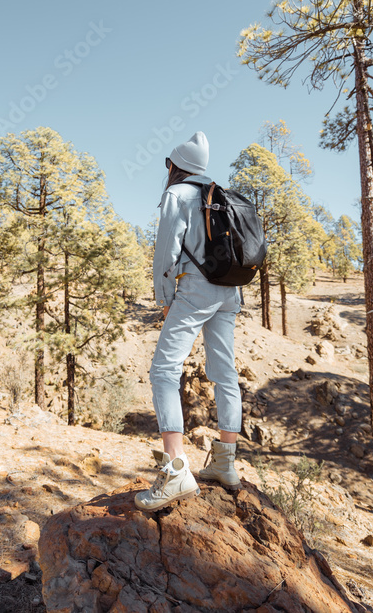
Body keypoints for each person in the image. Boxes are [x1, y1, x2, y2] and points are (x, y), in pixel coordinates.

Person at [134, 131, 243, 512]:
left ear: (176, 165)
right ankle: (225, 463)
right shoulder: (220, 193)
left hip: (196, 291)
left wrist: (164, 300)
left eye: (169, 164)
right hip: (230, 292)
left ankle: (176, 469)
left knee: (164, 370)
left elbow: (166, 252)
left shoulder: (177, 194)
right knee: (224, 372)